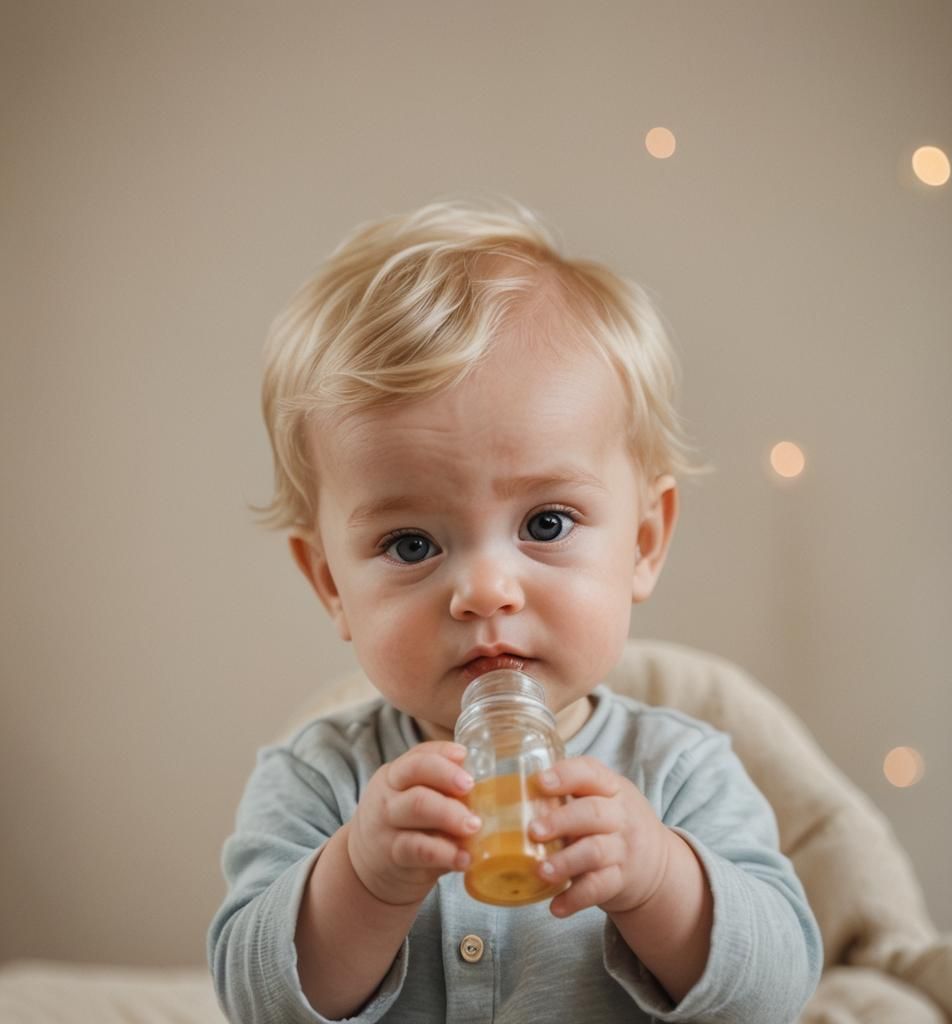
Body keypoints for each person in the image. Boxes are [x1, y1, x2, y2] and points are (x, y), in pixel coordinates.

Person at [207, 196, 823, 1023]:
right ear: (329, 584)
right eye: (412, 544)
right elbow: (255, 1003)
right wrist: (361, 878)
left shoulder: (681, 771)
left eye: (545, 524)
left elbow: (778, 995)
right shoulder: (318, 780)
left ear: (643, 542)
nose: (486, 591)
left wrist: (658, 877)